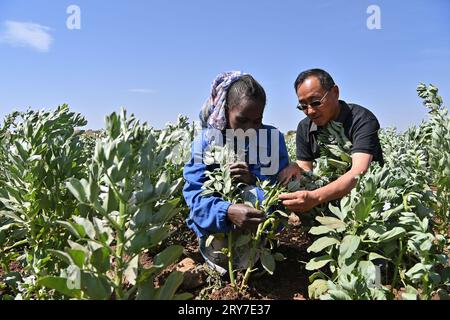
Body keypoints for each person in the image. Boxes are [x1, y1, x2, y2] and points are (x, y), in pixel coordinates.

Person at [183, 71, 289, 274]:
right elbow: (195, 198)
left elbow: (281, 193)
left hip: (261, 234)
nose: (250, 128)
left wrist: (254, 179)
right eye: (242, 120)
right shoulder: (205, 142)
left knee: (254, 195)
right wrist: (227, 211)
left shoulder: (272, 139)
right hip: (218, 235)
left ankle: (258, 256)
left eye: (257, 121)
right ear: (226, 110)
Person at [278, 68, 384, 213]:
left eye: (315, 102)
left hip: (365, 201)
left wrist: (315, 197)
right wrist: (296, 168)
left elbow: (359, 172)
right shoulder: (304, 127)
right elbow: (306, 169)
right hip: (326, 203)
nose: (310, 111)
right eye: (303, 106)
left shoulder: (361, 119)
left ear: (335, 92)